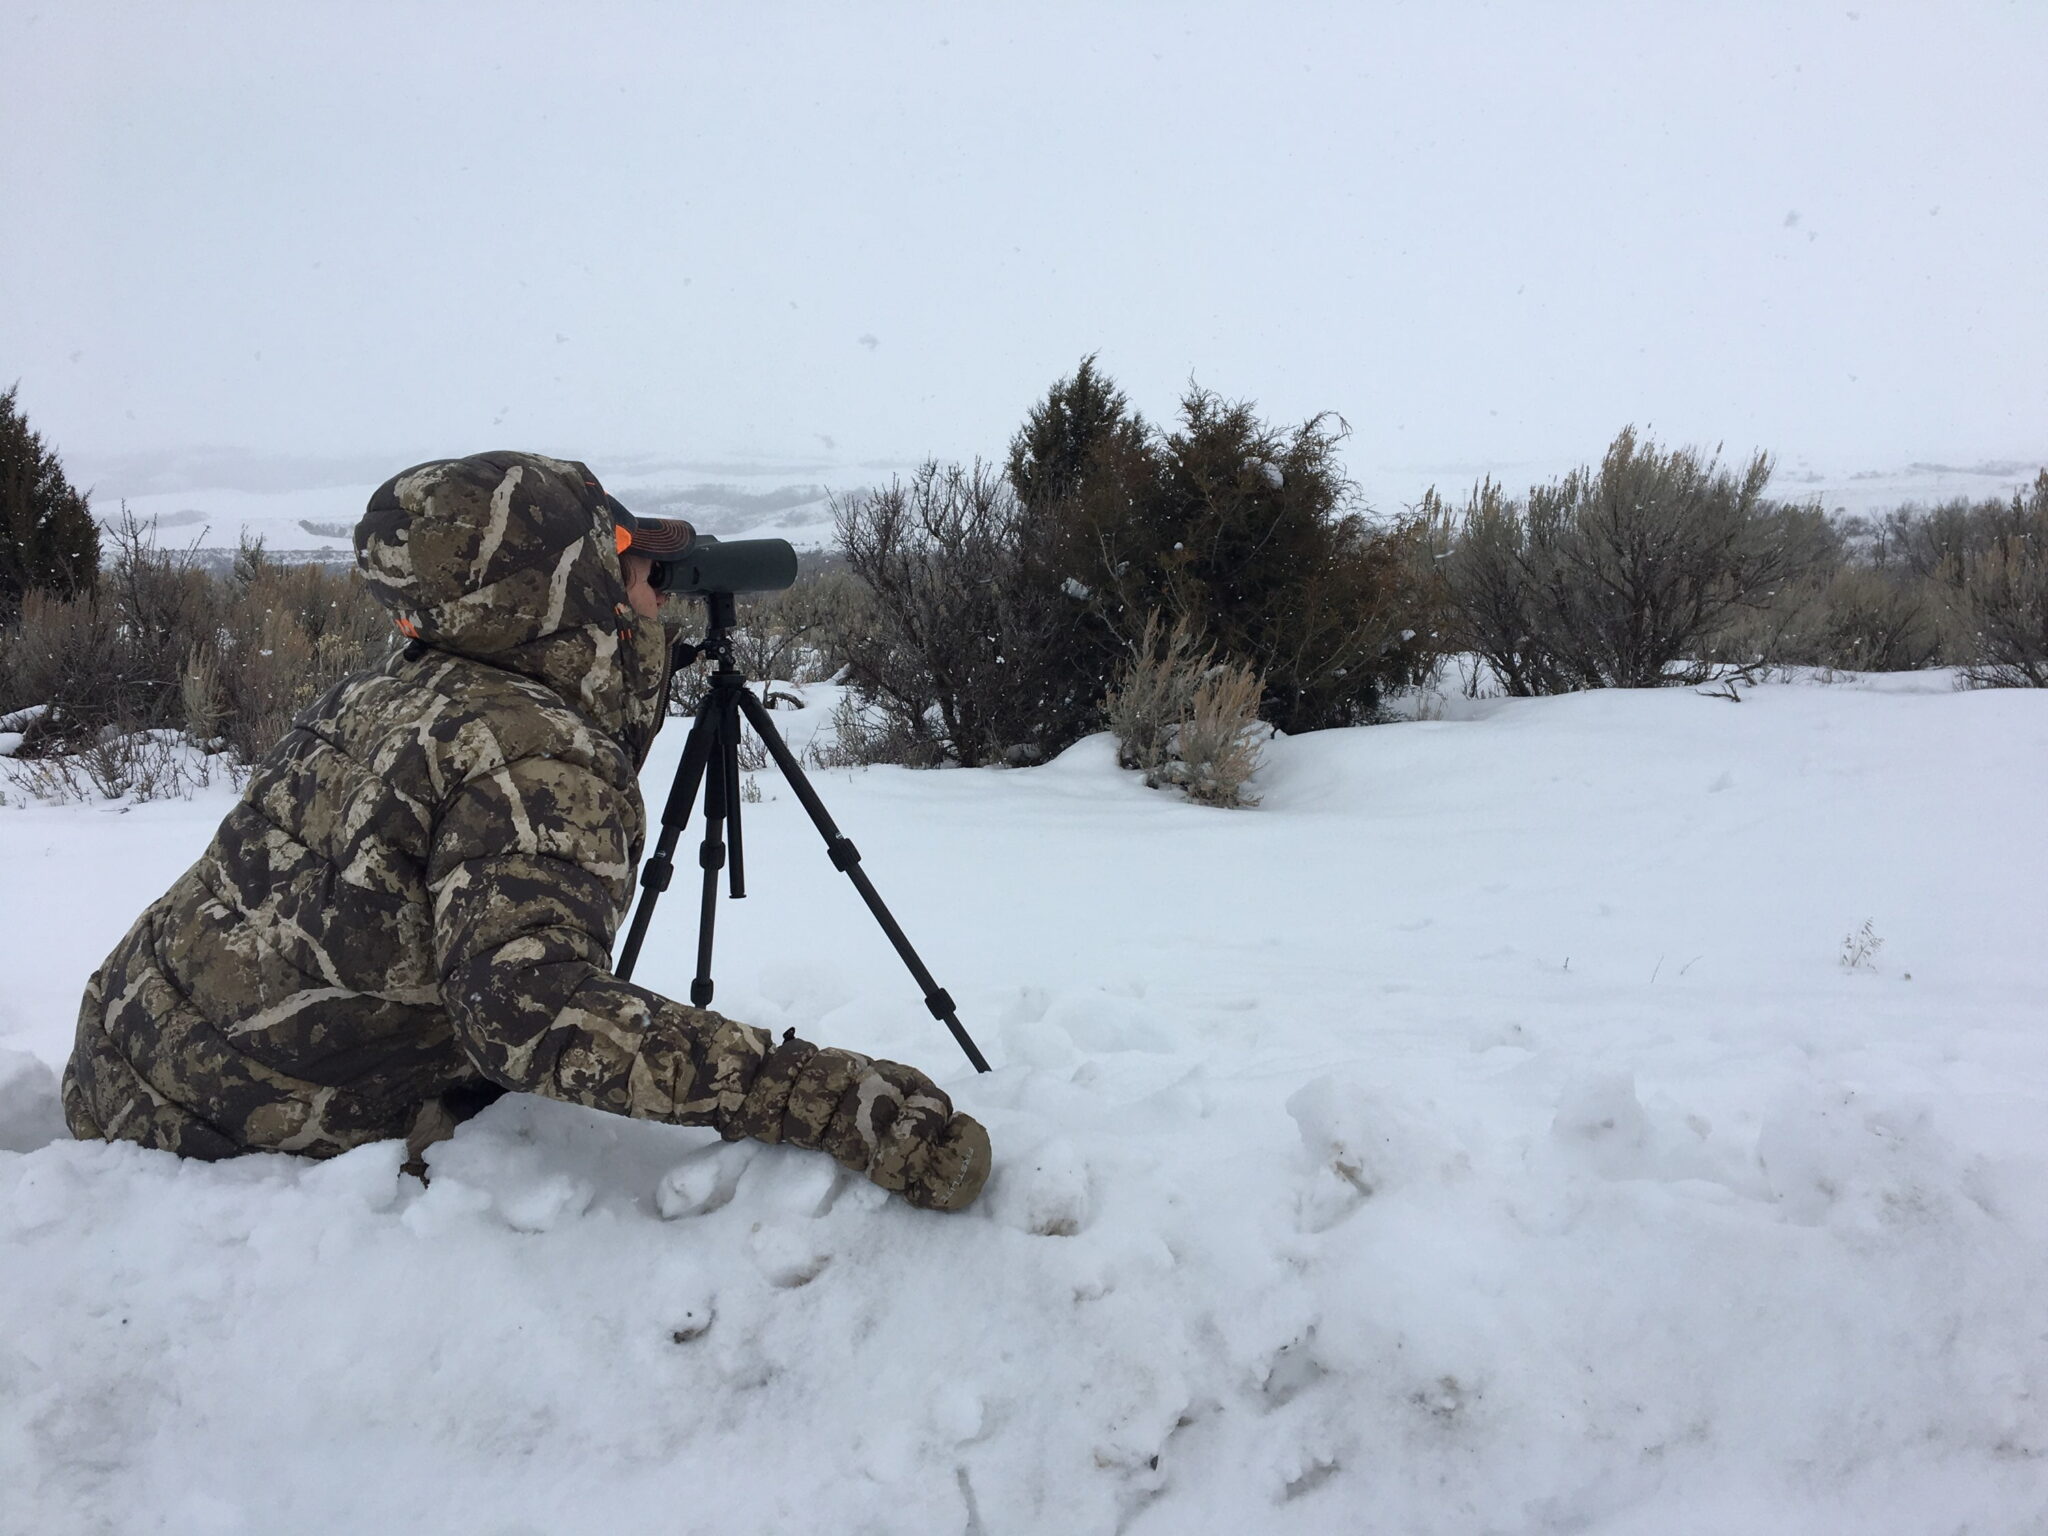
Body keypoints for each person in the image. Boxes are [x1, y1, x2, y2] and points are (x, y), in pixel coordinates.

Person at [61, 451, 990, 1211]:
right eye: (631, 570)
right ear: (563, 592)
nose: (653, 597)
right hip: (211, 1136)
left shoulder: (397, 687)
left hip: (125, 1050)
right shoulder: (531, 754)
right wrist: (823, 1100)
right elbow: (526, 1013)